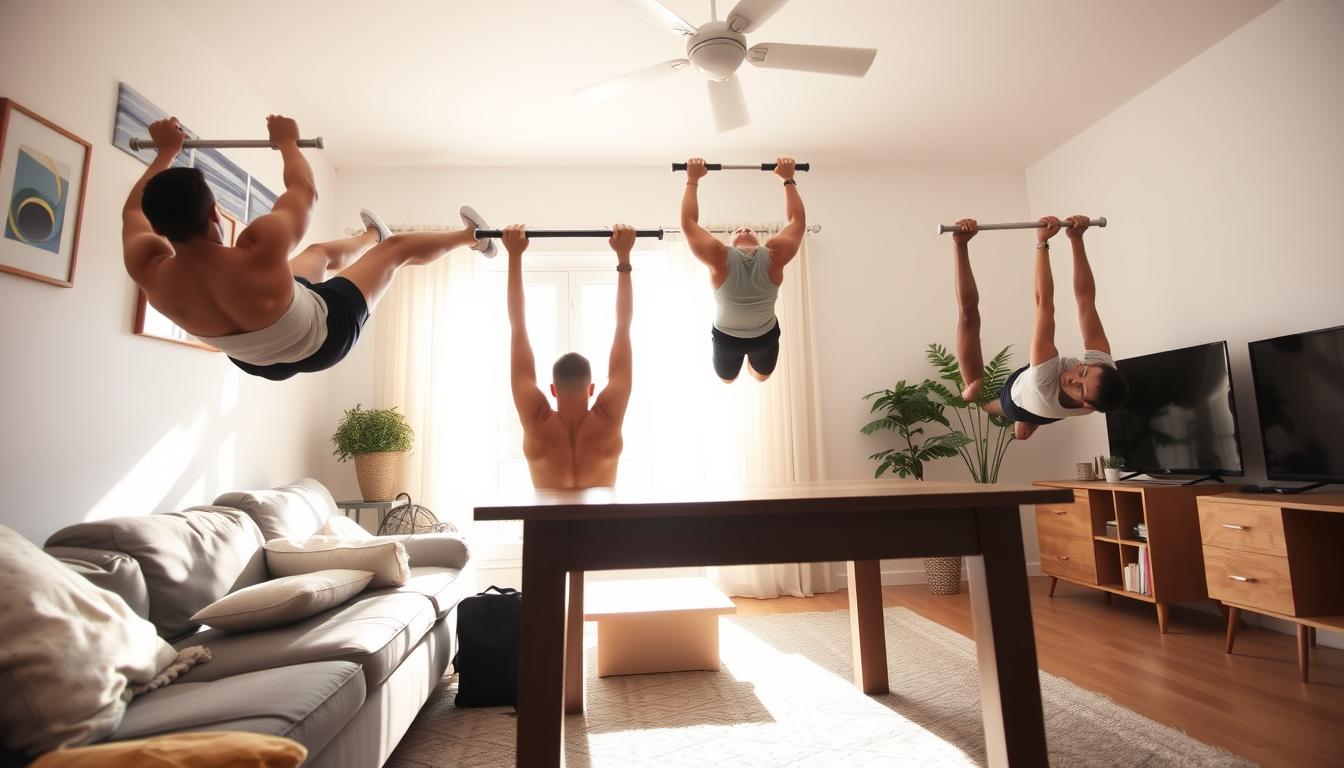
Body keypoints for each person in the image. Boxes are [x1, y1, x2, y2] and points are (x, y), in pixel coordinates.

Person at [121, 115, 494, 381]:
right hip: (323, 336)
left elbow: (132, 211)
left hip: (258, 363)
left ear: (157, 228)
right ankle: (474, 239)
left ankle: (370, 236)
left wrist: (164, 153)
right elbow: (304, 192)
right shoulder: (257, 251)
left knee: (318, 254)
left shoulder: (148, 269)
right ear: (215, 213)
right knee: (396, 251)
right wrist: (287, 141)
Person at [952, 215, 1128, 440]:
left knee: (981, 397)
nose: (1072, 379)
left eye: (1079, 388)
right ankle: (1029, 421)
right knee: (1028, 422)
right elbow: (1085, 300)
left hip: (1019, 397)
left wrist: (1042, 243)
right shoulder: (1102, 371)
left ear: (1086, 405)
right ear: (1091, 364)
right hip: (1042, 389)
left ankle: (960, 245)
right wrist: (1076, 238)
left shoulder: (1043, 383)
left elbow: (1043, 303)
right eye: (1082, 372)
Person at [503, 224, 634, 489]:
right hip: (601, 528)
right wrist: (624, 258)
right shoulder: (609, 418)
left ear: (553, 389)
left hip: (547, 529)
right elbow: (623, 327)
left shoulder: (536, 419)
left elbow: (518, 329)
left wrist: (514, 255)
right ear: (592, 388)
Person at [680, 156, 806, 383]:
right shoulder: (720, 256)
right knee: (727, 379)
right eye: (737, 230)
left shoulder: (773, 254)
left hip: (764, 336)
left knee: (760, 378)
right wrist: (692, 179)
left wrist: (789, 179)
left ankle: (751, 367)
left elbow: (797, 221)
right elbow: (688, 223)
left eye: (747, 228)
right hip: (727, 339)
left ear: (758, 239)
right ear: (730, 241)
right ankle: (740, 367)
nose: (743, 229)